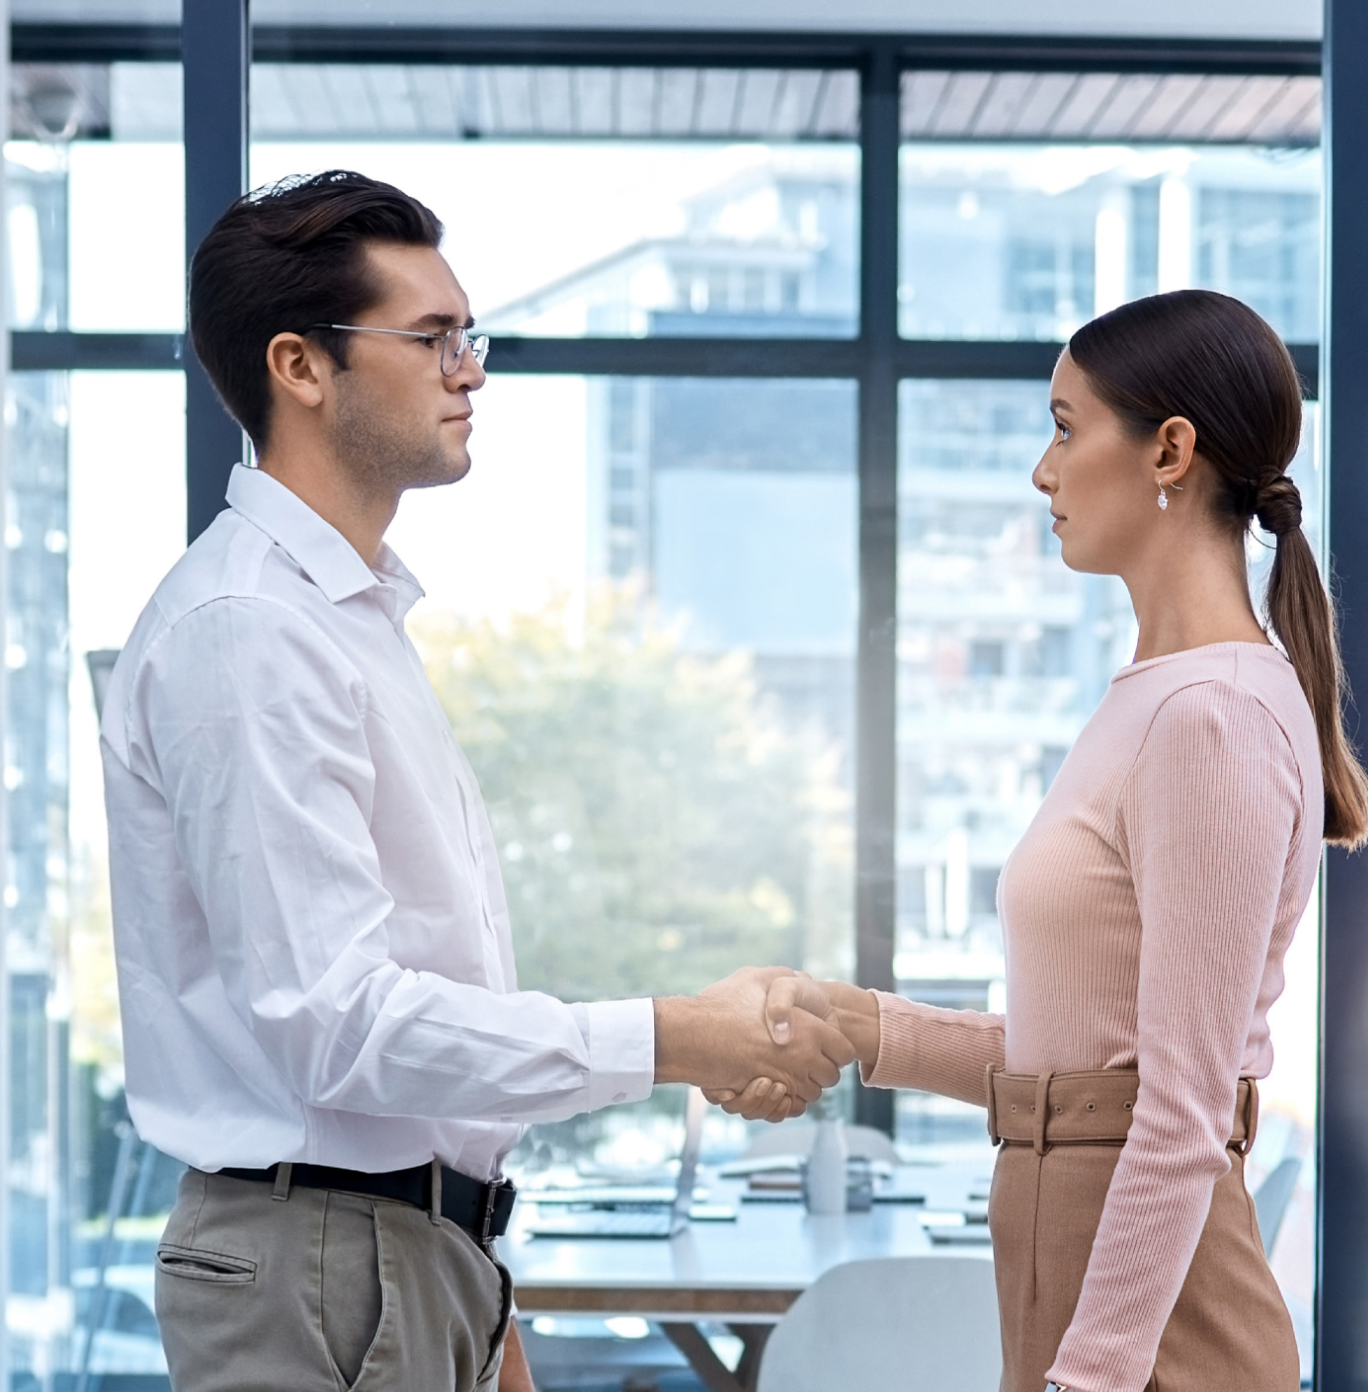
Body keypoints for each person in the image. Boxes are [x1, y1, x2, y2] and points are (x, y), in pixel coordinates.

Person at [99, 170, 850, 1392]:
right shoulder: (248, 631)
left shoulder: (342, 617)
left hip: (401, 1253)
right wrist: (676, 1037)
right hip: (326, 1267)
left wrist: (473, 1282)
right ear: (301, 367)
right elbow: (336, 1023)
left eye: (469, 336)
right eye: (433, 337)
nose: (471, 369)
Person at [719, 289, 1367, 1391]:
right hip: (1077, 1269)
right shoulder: (1155, 701)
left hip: (1149, 1324)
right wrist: (861, 1022)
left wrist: (1092, 1378)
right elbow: (1087, 1058)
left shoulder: (1209, 713)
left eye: (1067, 428)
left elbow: (1180, 1105)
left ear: (1170, 451)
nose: (1042, 469)